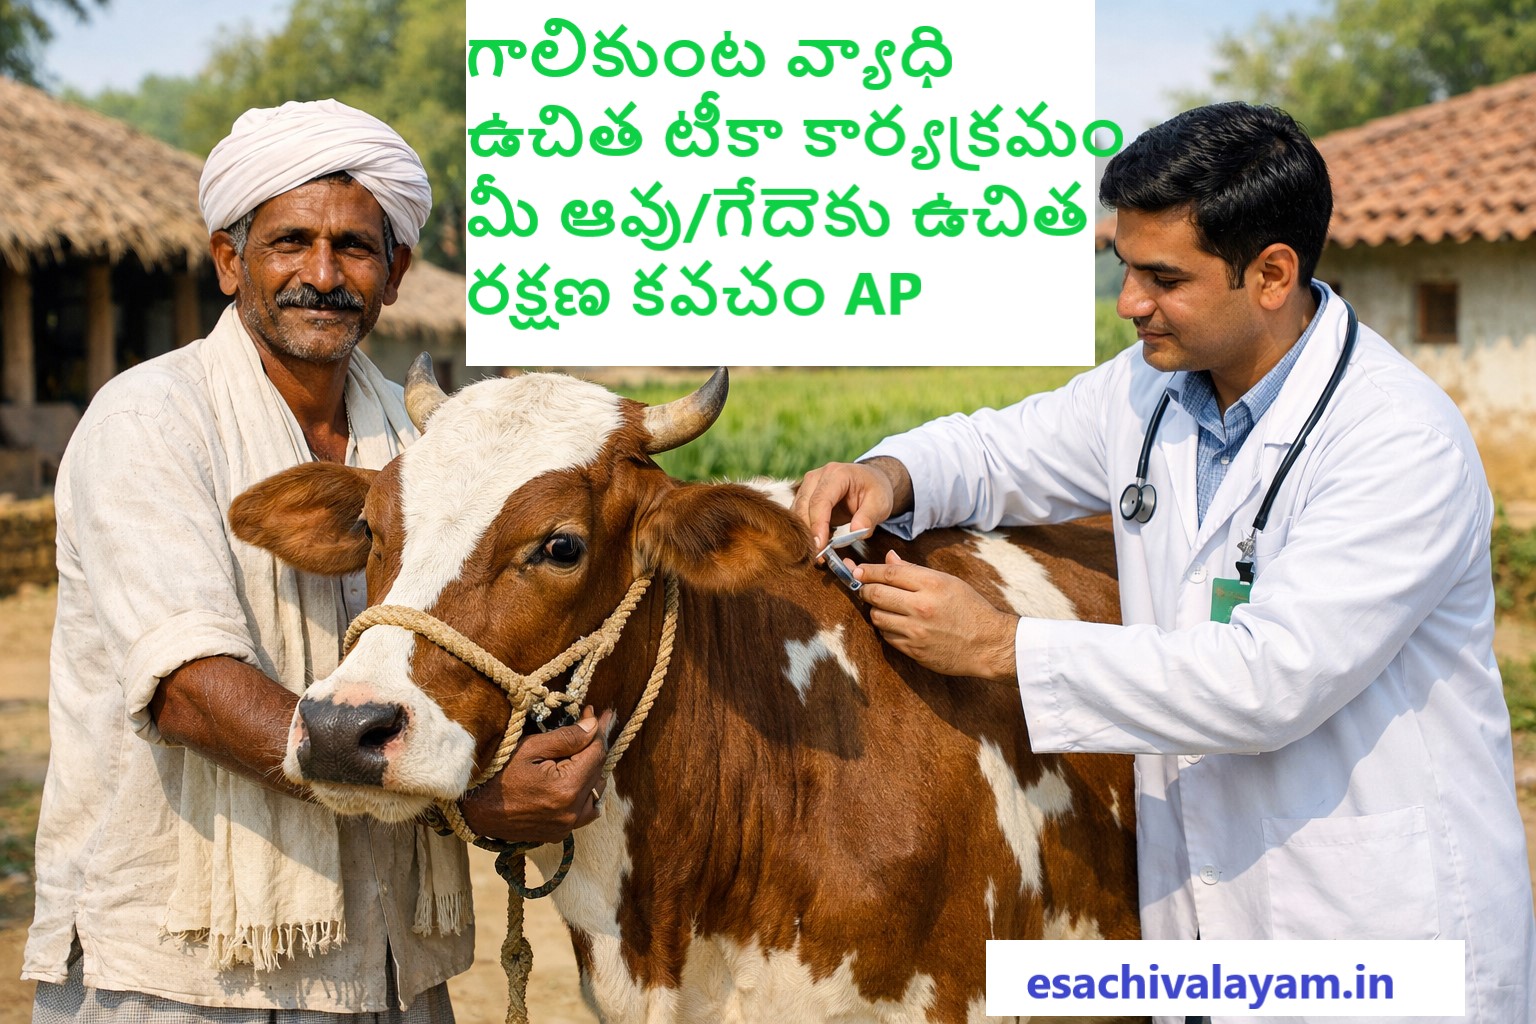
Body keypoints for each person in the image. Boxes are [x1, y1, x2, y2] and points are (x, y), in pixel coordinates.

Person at [794, 102, 1535, 1023]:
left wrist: (1002, 647)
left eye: (1163, 276)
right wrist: (889, 474)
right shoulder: (1151, 386)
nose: (1130, 303)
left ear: (1271, 275)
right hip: (1206, 937)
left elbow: (1271, 678)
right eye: (1124, 268)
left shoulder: (1394, 439)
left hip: (1372, 937)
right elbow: (1002, 450)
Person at [23, 99, 610, 1021]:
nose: (323, 275)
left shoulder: (431, 449)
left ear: (398, 271)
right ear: (230, 260)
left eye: (357, 249)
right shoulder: (153, 419)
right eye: (290, 241)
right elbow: (186, 687)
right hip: (184, 965)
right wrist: (469, 799)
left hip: (387, 960)